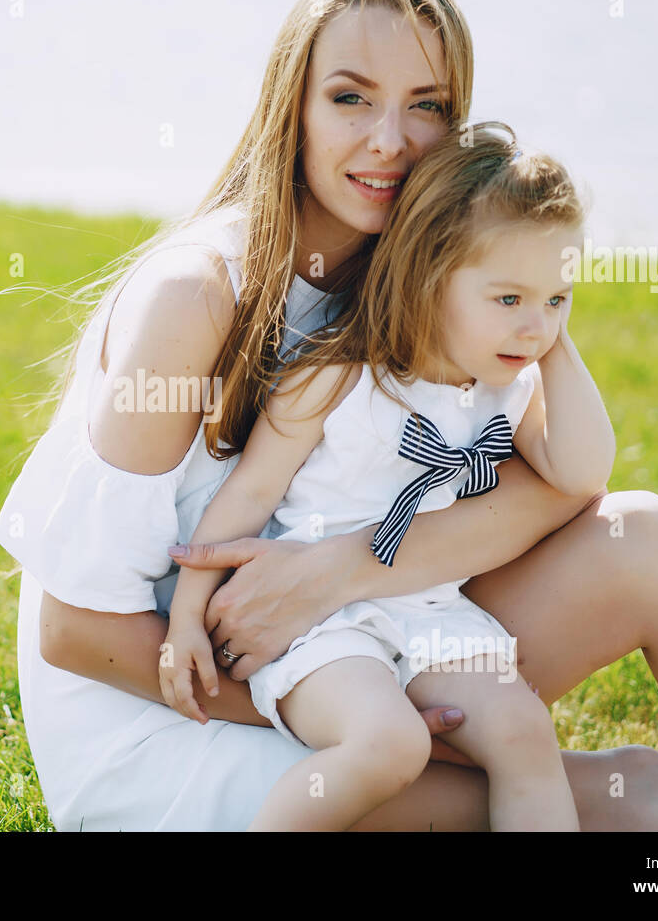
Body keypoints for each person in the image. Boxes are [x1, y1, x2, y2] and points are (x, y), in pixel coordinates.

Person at [0, 0, 658, 830]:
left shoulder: (427, 278)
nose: (390, 140)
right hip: (175, 718)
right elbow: (75, 636)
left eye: (426, 105)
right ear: (292, 106)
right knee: (629, 805)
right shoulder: (199, 297)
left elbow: (567, 480)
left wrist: (344, 572)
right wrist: (357, 714)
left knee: (642, 539)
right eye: (351, 98)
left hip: (362, 636)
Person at [160, 123, 606, 831]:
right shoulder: (336, 375)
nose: (535, 327)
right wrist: (187, 614)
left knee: (523, 730)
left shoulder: (510, 387)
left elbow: (584, 471)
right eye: (508, 299)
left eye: (558, 298)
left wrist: (550, 337)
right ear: (430, 275)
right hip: (313, 621)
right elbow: (248, 494)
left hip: (424, 610)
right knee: (387, 742)